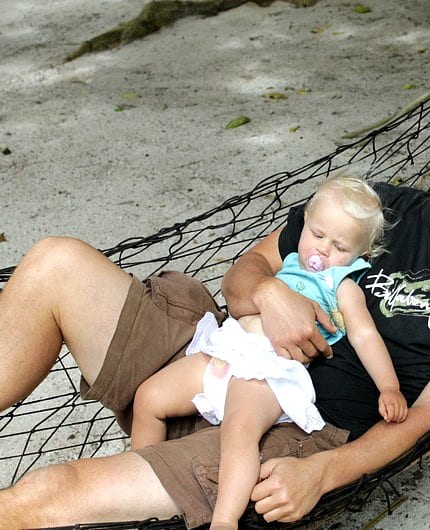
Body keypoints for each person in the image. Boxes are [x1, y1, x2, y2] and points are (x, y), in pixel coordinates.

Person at [0, 86, 430, 529]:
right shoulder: (375, 207)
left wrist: (322, 471)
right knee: (56, 261)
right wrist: (272, 295)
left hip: (292, 431)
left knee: (45, 497)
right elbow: (243, 273)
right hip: (216, 360)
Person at [130, 175, 407, 529]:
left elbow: (366, 335)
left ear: (360, 256)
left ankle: (224, 521)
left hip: (268, 372)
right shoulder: (289, 263)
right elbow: (242, 277)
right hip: (226, 352)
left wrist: (389, 387)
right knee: (148, 397)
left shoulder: (342, 286)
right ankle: (142, 491)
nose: (323, 250)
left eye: (340, 247)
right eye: (318, 235)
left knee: (239, 430)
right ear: (304, 224)